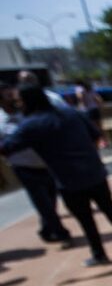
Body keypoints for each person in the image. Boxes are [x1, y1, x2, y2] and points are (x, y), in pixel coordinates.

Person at [0, 84, 112, 266]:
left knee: (86, 220)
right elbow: (95, 134)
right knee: (110, 209)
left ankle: (99, 254)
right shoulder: (71, 114)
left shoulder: (31, 125)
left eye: (19, 100)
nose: (17, 104)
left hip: (69, 181)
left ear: (27, 101)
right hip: (94, 173)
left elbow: (7, 148)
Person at [0, 82, 71, 244]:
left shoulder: (30, 114)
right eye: (7, 95)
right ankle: (61, 233)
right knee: (42, 203)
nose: (12, 97)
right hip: (24, 167)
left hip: (46, 163)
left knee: (50, 200)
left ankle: (46, 229)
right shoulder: (1, 119)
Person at [74, 81, 108, 148]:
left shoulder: (80, 90)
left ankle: (97, 143)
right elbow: (99, 99)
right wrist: (100, 106)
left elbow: (80, 98)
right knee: (100, 127)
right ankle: (104, 141)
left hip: (88, 111)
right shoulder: (91, 90)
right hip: (95, 109)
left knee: (92, 128)